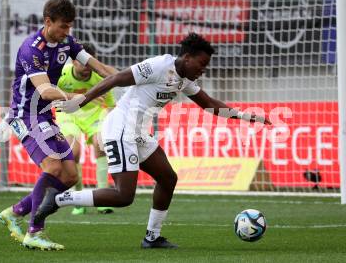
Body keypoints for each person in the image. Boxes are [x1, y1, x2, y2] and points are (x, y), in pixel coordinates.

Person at [34, 33, 272, 249]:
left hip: (138, 133)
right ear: (187, 57)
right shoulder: (159, 65)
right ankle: (59, 198)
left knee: (168, 178)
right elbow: (116, 78)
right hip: (120, 129)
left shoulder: (184, 80)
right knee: (124, 196)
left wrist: (244, 116)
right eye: (201, 64)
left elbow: (209, 104)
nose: (203, 69)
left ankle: (152, 237)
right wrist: (83, 100)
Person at [0, 0, 116, 251]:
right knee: (52, 167)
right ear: (48, 21)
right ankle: (34, 231)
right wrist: (81, 98)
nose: (67, 32)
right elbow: (46, 91)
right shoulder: (31, 49)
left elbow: (99, 67)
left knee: (71, 176)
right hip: (24, 115)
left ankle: (15, 212)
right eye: (62, 26)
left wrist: (131, 79)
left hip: (45, 116)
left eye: (69, 26)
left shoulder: (68, 43)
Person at [56, 43, 116, 215]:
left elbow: (111, 105)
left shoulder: (100, 77)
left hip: (94, 116)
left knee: (101, 143)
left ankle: (102, 199)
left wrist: (107, 123)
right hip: (69, 115)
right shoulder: (62, 75)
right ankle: (78, 198)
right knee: (72, 152)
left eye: (91, 63)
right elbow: (47, 93)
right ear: (74, 62)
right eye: (83, 63)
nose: (88, 67)